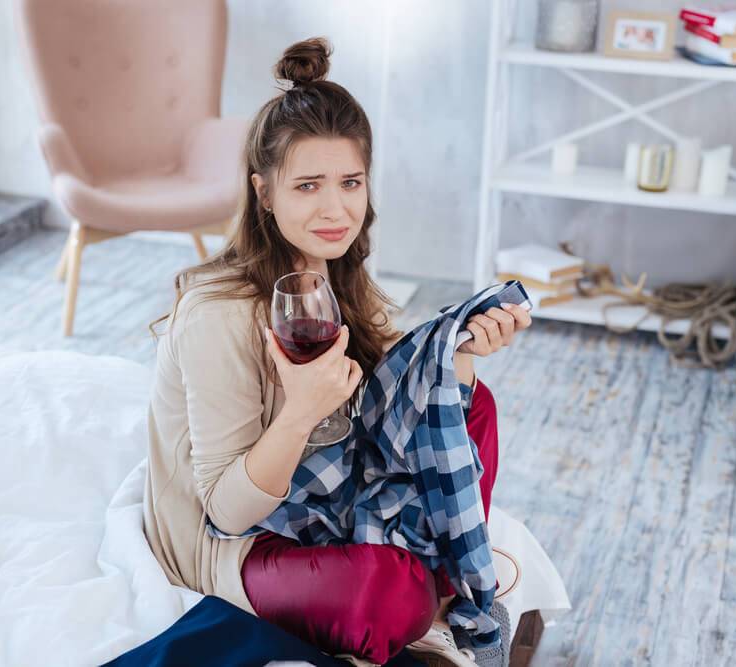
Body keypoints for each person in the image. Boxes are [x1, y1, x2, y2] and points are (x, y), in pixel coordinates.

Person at [143, 37, 531, 666]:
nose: (335, 208)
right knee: (387, 596)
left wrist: (457, 358)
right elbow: (229, 512)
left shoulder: (337, 278)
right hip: (233, 540)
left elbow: (386, 416)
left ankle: (429, 575)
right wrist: (301, 410)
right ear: (264, 193)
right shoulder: (218, 317)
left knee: (472, 402)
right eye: (307, 186)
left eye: (350, 182)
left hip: (320, 498)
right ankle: (435, 582)